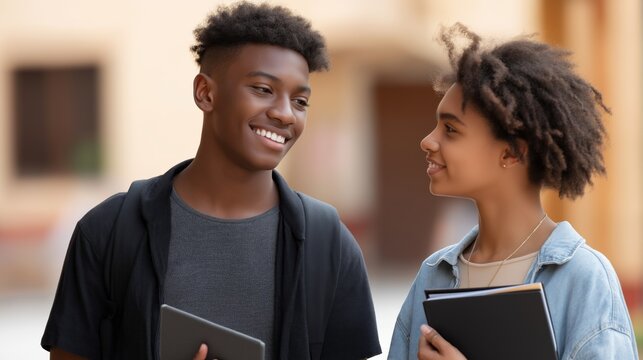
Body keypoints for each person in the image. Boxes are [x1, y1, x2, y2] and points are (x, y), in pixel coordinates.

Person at [41, 2, 381, 359]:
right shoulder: (108, 233)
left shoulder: (329, 244)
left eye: (300, 100)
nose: (284, 113)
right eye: (263, 89)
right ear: (205, 92)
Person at [388, 23, 638, 359]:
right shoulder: (433, 274)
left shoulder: (583, 278)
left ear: (511, 152)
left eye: (450, 129)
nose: (428, 141)